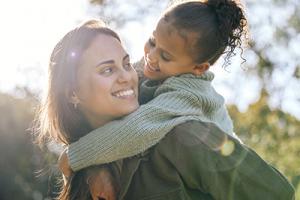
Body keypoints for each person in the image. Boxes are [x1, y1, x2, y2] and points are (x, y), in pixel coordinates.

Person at [57, 0, 294, 199]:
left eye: (165, 55)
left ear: (198, 68)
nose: (150, 57)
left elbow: (140, 128)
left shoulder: (185, 97)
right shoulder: (157, 71)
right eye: (152, 41)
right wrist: (97, 165)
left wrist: (76, 156)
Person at [35, 19, 139, 199]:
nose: (126, 77)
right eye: (107, 70)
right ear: (73, 93)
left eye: (127, 64)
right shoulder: (82, 179)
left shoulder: (174, 135)